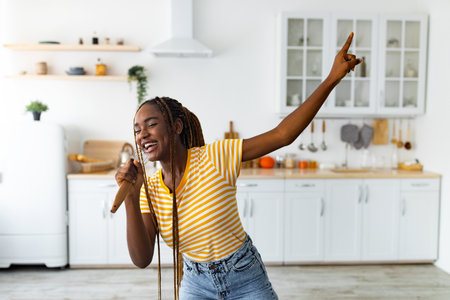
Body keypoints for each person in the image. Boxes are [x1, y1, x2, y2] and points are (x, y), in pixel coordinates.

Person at [115, 32, 361, 300]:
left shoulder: (215, 156)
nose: (142, 135)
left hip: (244, 276)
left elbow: (282, 135)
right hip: (196, 283)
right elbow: (142, 259)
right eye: (137, 130)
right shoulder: (148, 188)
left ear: (176, 127)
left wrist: (331, 79)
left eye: (151, 124)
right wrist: (131, 196)